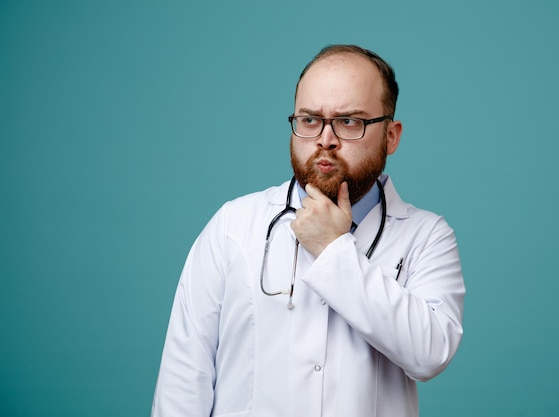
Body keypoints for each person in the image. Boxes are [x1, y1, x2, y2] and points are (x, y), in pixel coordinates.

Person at [151, 44, 465, 417]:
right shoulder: (232, 228)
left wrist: (334, 249)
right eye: (310, 119)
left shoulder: (427, 237)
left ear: (391, 136)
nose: (325, 139)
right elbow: (183, 382)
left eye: (350, 121)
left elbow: (430, 353)